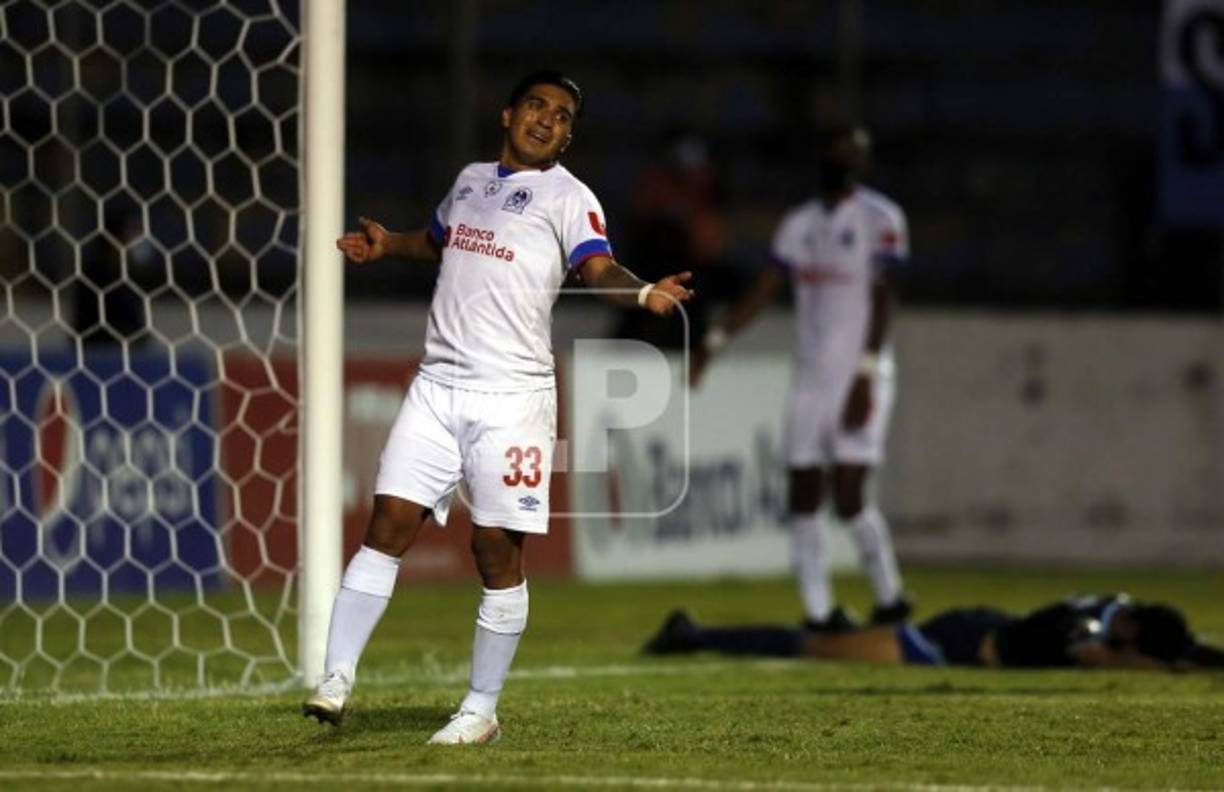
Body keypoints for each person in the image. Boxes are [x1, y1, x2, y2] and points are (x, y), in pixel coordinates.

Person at [302, 71, 694, 744]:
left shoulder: (569, 198)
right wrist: (386, 244)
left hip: (512, 398)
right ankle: (335, 681)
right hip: (437, 384)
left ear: (569, 135)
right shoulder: (470, 180)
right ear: (508, 115)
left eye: (562, 115)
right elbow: (439, 240)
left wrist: (640, 296)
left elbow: (598, 268)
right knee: (387, 522)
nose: (547, 120)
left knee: (494, 551)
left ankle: (481, 710)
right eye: (537, 106)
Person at [689, 120, 911, 632]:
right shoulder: (800, 224)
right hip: (811, 378)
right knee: (804, 490)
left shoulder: (881, 218)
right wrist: (714, 342)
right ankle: (818, 611)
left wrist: (867, 371)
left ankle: (891, 596)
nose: (845, 161)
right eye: (838, 151)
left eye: (855, 153)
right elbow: (765, 290)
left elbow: (883, 297)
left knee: (851, 491)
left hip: (861, 373)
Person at [642, 594, 1224, 671]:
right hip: (954, 643)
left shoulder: (1115, 610)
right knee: (812, 648)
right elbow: (1102, 659)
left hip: (983, 630)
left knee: (824, 646)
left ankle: (854, 629)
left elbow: (1176, 647)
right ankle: (694, 634)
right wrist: (1167, 667)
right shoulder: (1088, 628)